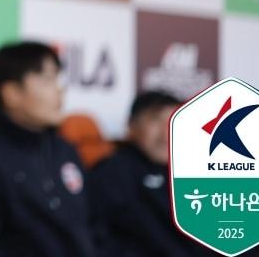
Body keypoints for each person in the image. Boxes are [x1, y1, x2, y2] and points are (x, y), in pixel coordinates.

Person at [0, 41, 97, 256]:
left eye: (57, 78)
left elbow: (96, 228)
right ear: (12, 93)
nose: (59, 90)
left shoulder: (65, 151)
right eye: (47, 80)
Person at [90, 90, 219, 256]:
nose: (166, 133)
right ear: (131, 125)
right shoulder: (112, 173)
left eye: (174, 121)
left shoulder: (198, 171)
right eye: (155, 120)